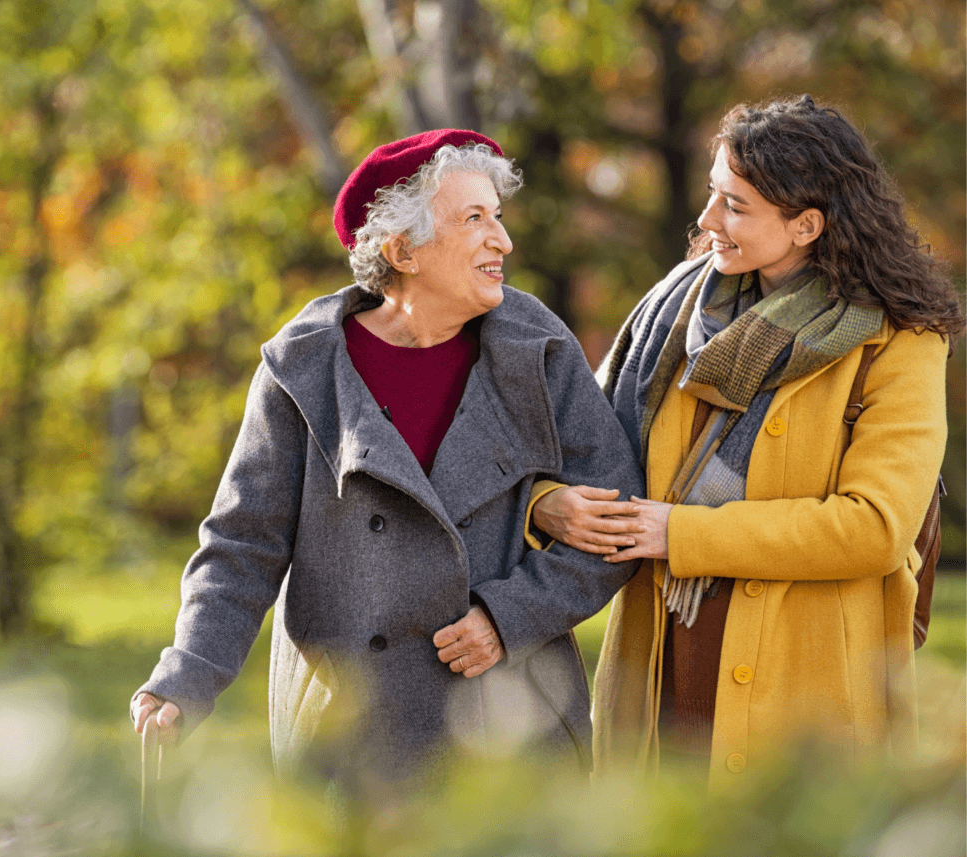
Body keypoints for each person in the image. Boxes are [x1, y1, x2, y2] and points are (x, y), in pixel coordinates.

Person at [131, 130, 640, 796]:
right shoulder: (304, 369)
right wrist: (186, 674)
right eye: (474, 219)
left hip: (513, 724)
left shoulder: (537, 347)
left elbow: (619, 516)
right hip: (351, 731)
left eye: (498, 215)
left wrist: (509, 615)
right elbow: (241, 544)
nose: (503, 241)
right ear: (403, 250)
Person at [530, 95, 964, 789]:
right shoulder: (672, 317)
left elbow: (876, 526)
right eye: (711, 194)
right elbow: (573, 447)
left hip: (806, 697)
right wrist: (549, 503)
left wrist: (685, 533)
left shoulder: (901, 342)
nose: (706, 222)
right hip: (659, 672)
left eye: (735, 205)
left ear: (806, 224)